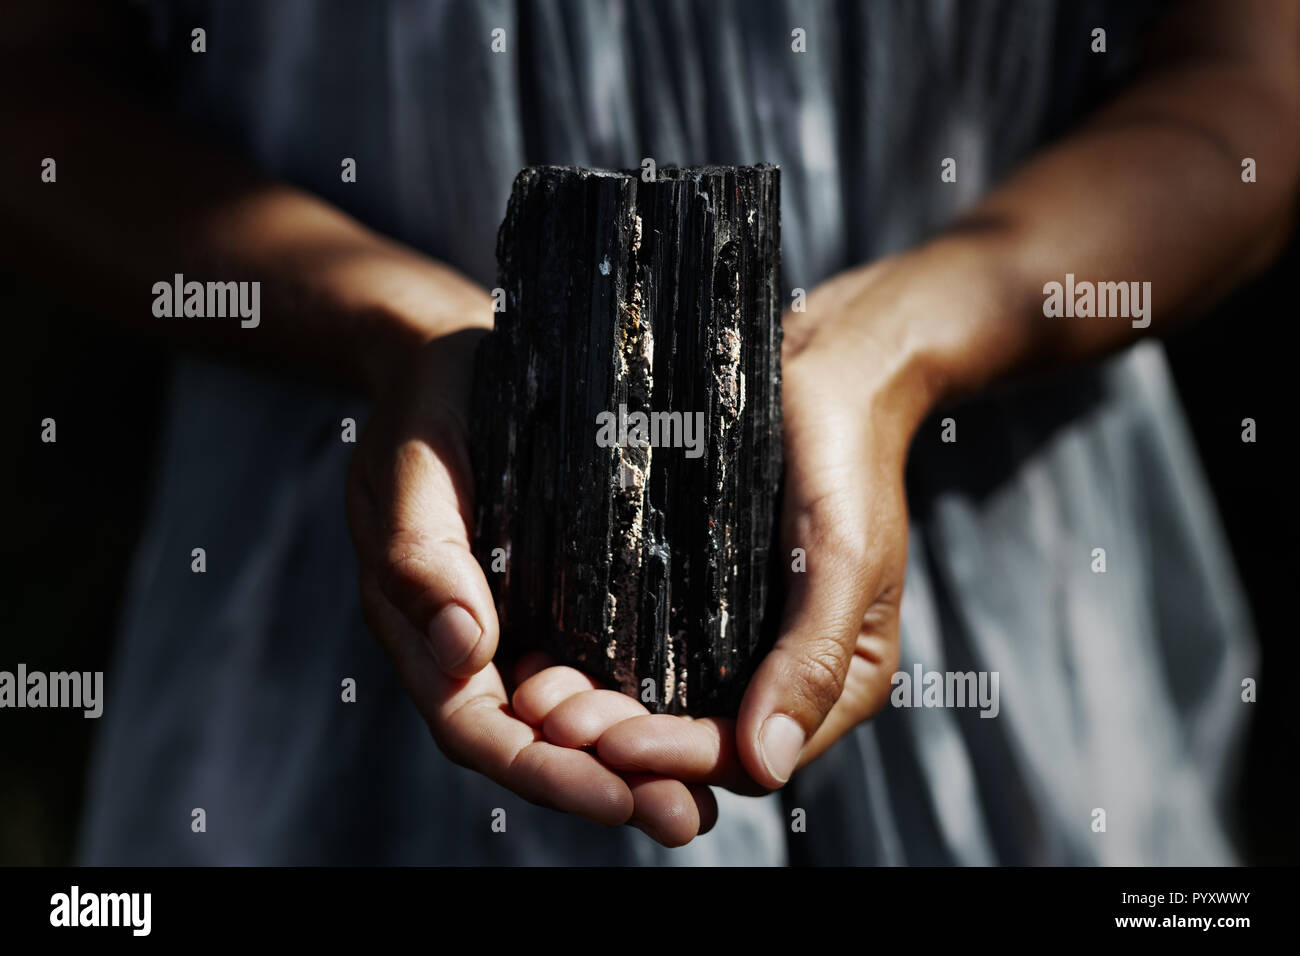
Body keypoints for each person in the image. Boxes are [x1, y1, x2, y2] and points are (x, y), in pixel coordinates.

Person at [7, 0, 1295, 864]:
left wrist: (899, 347)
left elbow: (1249, 93)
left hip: (983, 540)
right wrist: (393, 330)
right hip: (372, 544)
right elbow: (34, 91)